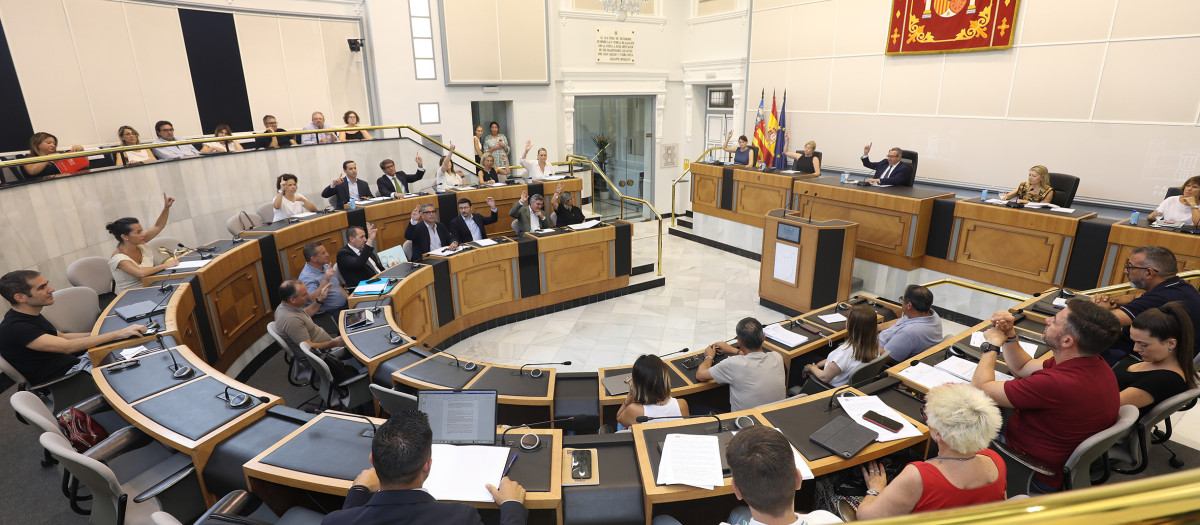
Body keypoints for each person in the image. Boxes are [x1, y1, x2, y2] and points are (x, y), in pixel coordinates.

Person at [972, 299, 1122, 492]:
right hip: (1049, 461)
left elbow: (978, 388)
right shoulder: (1092, 362)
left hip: (1026, 469)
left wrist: (991, 346)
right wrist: (1009, 335)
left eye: (1055, 321)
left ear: (1067, 341)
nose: (1047, 319)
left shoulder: (1057, 383)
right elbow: (1022, 367)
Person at [320, 410, 528, 525]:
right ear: (427, 466)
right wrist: (512, 505)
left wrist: (358, 492)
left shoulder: (333, 521)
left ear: (372, 460)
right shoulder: (460, 517)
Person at [856, 384, 1005, 519]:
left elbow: (866, 518)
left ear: (939, 434)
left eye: (926, 414)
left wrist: (875, 490)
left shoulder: (918, 476)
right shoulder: (995, 461)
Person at [652, 425, 841, 525]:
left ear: (737, 490)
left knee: (660, 520)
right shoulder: (829, 519)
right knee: (737, 514)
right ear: (798, 479)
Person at [0, 270, 145, 385]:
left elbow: (63, 337)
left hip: (76, 363)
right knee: (140, 370)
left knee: (139, 351)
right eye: (42, 288)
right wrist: (117, 334)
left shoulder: (29, 315)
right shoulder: (16, 328)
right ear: (20, 297)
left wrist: (108, 333)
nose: (51, 289)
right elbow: (67, 346)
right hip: (69, 381)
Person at [1092, 246, 1200, 363]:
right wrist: (1115, 301)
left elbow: (1102, 321)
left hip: (1137, 360)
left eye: (1129, 267)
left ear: (1149, 272)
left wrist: (1099, 308)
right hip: (1165, 359)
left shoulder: (1159, 299)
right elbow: (1136, 297)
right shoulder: (1182, 288)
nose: (1125, 271)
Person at [1116, 302, 1198, 417]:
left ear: (1171, 344)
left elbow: (1104, 406)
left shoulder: (1166, 380)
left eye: (1143, 344)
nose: (1135, 349)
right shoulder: (1155, 360)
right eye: (1134, 341)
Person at [696, 317, 786, 412]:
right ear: (764, 337)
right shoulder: (777, 357)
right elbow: (755, 356)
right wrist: (732, 350)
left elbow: (700, 375)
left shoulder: (733, 364)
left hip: (746, 424)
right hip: (775, 417)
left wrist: (709, 356)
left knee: (696, 407)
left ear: (739, 341)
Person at [106, 194, 179, 293]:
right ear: (125, 237)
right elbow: (141, 273)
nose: (143, 234)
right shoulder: (118, 258)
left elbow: (158, 226)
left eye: (142, 230)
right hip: (134, 297)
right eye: (138, 232)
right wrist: (166, 265)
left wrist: (166, 208)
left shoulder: (140, 243)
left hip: (153, 288)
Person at [804, 305, 881, 387]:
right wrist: (818, 365)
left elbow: (825, 377)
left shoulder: (846, 352)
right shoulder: (873, 344)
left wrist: (810, 368)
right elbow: (838, 361)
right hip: (848, 384)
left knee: (802, 360)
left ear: (852, 325)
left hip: (826, 388)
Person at [616, 354, 690, 429]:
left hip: (643, 440)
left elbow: (619, 417)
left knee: (621, 425)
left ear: (637, 384)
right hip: (671, 439)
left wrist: (630, 395)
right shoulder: (682, 404)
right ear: (665, 379)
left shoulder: (634, 410)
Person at [273, 280, 343, 355]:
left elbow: (304, 314)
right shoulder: (291, 320)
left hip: (329, 344)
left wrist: (320, 299)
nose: (309, 295)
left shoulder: (286, 306)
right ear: (293, 300)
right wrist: (334, 343)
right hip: (325, 353)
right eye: (304, 294)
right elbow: (310, 348)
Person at [878, 286, 943, 362]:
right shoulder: (929, 314)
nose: (902, 301)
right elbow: (901, 320)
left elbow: (884, 357)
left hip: (877, 353)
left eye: (902, 299)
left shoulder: (908, 333)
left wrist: (863, 342)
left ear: (909, 305)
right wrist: (875, 327)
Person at [297, 242, 349, 328]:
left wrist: (350, 300)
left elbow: (338, 286)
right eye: (323, 253)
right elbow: (313, 300)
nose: (328, 254)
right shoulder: (306, 277)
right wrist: (325, 279)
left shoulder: (325, 266)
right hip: (332, 314)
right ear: (313, 258)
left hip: (345, 306)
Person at [338, 223, 396, 287]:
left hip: (383, 282)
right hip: (367, 288)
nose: (365, 239)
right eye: (361, 237)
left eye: (365, 236)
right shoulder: (343, 254)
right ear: (352, 239)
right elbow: (359, 263)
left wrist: (390, 270)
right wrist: (370, 240)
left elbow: (376, 268)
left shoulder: (364, 249)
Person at [20, 132, 85, 177]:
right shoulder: (29, 157)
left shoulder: (60, 154)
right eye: (49, 143)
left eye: (54, 143)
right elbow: (32, 171)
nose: (53, 145)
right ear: (37, 144)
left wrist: (80, 150)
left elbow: (84, 165)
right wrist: (48, 157)